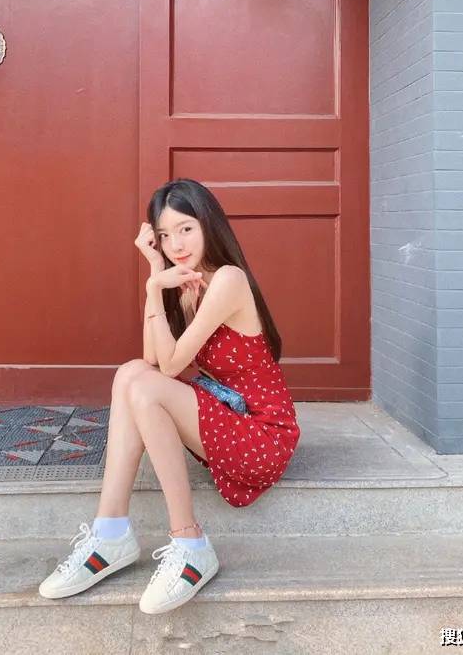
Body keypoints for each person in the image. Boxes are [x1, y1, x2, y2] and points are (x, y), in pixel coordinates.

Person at [38, 178, 301, 615]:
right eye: (164, 235)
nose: (175, 244)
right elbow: (152, 359)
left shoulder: (228, 280)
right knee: (130, 373)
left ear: (208, 225)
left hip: (263, 435)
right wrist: (155, 281)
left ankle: (189, 542)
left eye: (185, 229)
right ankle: (110, 531)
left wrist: (154, 287)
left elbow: (171, 367)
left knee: (144, 384)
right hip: (228, 416)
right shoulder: (186, 285)